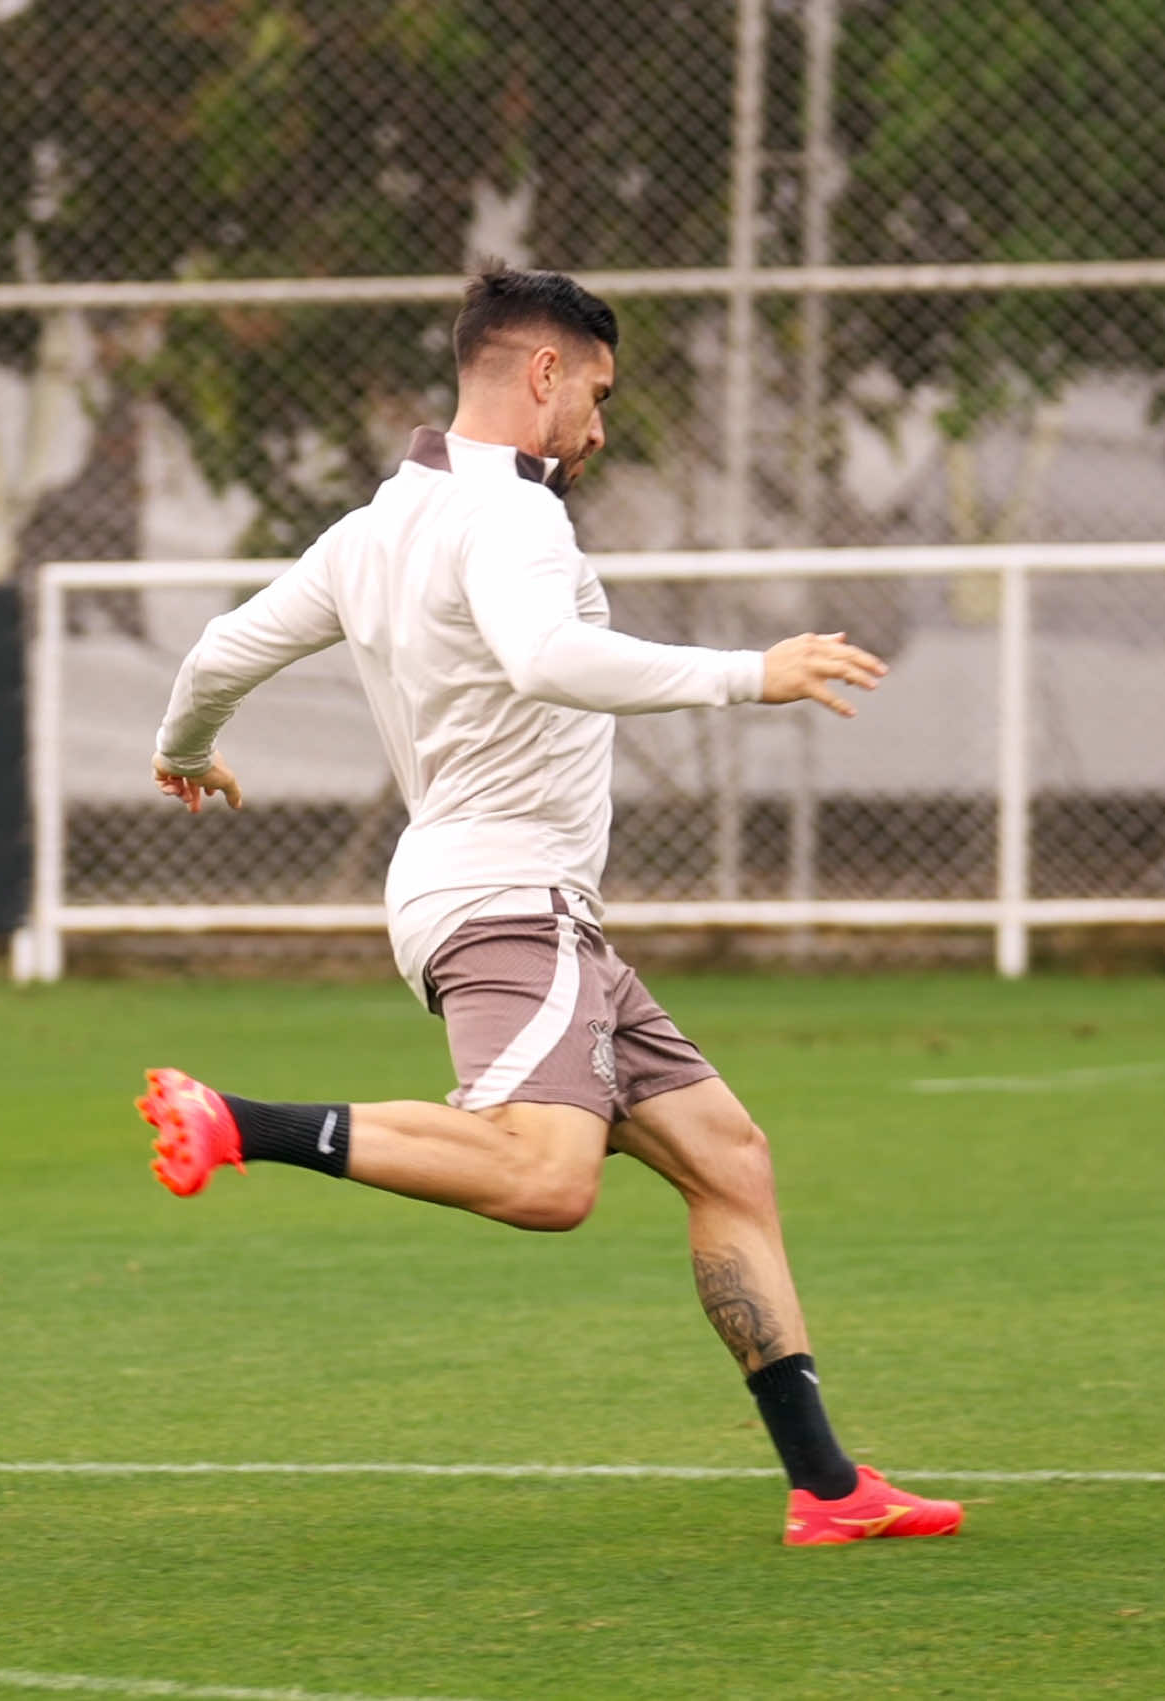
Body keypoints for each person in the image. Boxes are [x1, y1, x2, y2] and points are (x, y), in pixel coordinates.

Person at [137, 263, 961, 1548]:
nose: (598, 425)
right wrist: (753, 671)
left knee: (729, 1162)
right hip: (505, 898)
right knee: (546, 1176)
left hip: (526, 907)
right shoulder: (513, 519)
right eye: (597, 394)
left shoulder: (373, 526)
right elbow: (546, 658)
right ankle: (236, 1121)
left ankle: (828, 1488)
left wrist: (185, 748)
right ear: (543, 372)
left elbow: (217, 654)